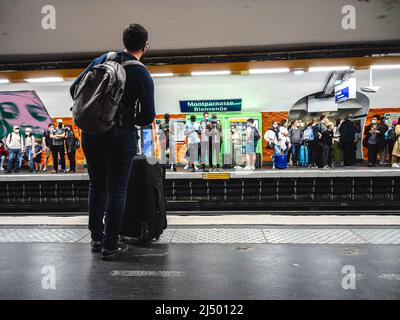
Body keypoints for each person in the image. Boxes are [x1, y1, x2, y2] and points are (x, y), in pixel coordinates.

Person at [70, 24, 155, 259]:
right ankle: (110, 244)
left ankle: (96, 239)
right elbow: (148, 116)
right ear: (145, 45)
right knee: (117, 189)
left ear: (125, 41)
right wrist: (128, 117)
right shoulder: (141, 72)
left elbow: (74, 88)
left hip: (91, 132)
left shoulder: (102, 59)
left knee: (97, 186)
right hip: (121, 135)